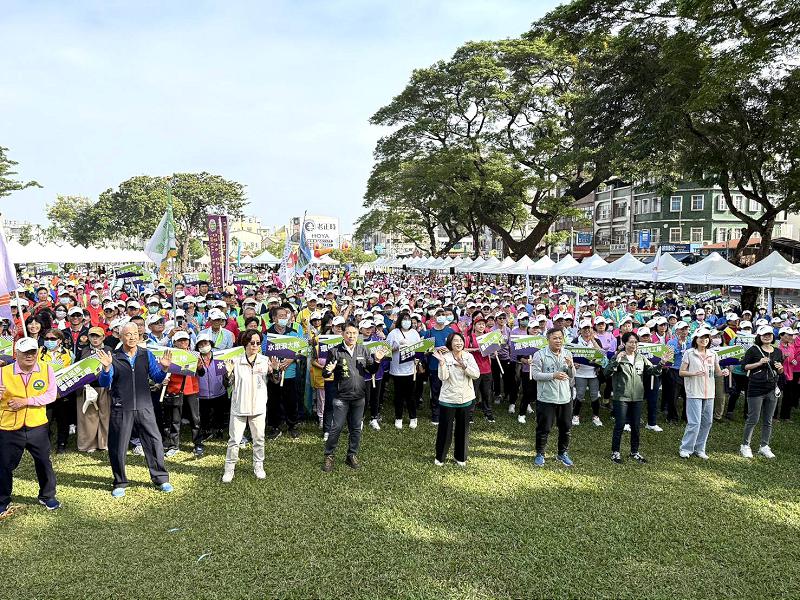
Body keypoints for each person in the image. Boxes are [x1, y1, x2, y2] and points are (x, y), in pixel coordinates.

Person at [96, 322, 175, 497]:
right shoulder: (113, 357)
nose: (132, 337)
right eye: (127, 334)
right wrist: (106, 368)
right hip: (121, 407)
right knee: (118, 445)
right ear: (121, 337)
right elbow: (104, 382)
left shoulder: (146, 354)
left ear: (139, 336)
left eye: (135, 334)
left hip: (144, 406)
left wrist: (164, 368)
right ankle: (120, 482)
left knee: (154, 442)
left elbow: (157, 377)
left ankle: (161, 478)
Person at [0, 337, 61, 516]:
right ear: (16, 353)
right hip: (9, 426)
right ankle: (2, 500)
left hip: (37, 425)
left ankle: (47, 496)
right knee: (4, 465)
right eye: (25, 352)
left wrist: (26, 401)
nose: (30, 355)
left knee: (44, 462)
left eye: (33, 352)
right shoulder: (3, 372)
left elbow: (51, 395)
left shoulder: (46, 369)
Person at [321, 324, 387, 472]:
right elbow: (325, 374)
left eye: (354, 333)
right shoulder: (335, 351)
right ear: (343, 334)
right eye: (348, 333)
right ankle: (329, 455)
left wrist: (377, 360)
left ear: (358, 335)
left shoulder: (363, 350)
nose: (351, 336)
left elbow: (371, 370)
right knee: (336, 427)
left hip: (359, 396)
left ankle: (351, 455)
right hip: (341, 397)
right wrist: (328, 370)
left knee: (356, 428)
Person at [221, 330, 279, 482]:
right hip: (239, 407)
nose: (255, 346)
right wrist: (228, 373)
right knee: (234, 441)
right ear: (245, 343)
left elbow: (275, 381)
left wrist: (275, 370)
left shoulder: (265, 360)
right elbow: (227, 384)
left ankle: (258, 466)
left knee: (259, 439)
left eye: (258, 343)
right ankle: (229, 469)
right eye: (252, 342)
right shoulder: (235, 361)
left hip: (258, 407)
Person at [604, 332, 661, 464]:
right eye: (630, 342)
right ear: (624, 343)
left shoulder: (641, 358)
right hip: (621, 397)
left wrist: (661, 363)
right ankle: (615, 452)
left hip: (637, 397)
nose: (633, 344)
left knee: (635, 426)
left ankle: (634, 452)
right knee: (620, 425)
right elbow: (607, 373)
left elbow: (652, 371)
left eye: (635, 342)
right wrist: (617, 360)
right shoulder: (618, 357)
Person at [679, 328, 728, 459]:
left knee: (707, 422)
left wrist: (723, 372)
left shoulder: (713, 354)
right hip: (694, 392)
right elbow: (681, 372)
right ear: (696, 339)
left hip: (709, 393)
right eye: (701, 337)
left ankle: (700, 448)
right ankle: (686, 448)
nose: (704, 340)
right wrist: (693, 373)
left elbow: (717, 372)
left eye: (706, 337)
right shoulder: (689, 353)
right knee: (694, 422)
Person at [530, 328, 576, 468]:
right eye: (555, 338)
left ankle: (562, 453)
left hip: (565, 397)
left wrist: (571, 366)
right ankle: (540, 454)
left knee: (566, 427)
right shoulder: (539, 355)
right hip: (546, 398)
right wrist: (553, 375)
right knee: (544, 428)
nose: (558, 341)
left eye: (560, 338)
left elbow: (572, 375)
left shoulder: (567, 353)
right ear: (548, 339)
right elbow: (536, 375)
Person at [433, 333, 479, 466]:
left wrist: (465, 366)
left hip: (466, 398)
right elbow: (443, 377)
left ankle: (460, 457)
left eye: (460, 340)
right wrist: (442, 363)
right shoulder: (445, 357)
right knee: (445, 429)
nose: (458, 343)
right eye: (455, 341)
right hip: (448, 398)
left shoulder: (468, 356)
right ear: (450, 343)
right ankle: (440, 457)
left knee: (463, 429)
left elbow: (476, 374)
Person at [740, 325, 783, 459]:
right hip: (756, 388)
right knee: (753, 418)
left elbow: (779, 371)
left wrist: (780, 368)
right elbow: (744, 367)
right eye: (764, 334)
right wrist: (759, 363)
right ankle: (745, 445)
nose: (767, 336)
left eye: (769, 334)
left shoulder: (778, 351)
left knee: (768, 420)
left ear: (773, 336)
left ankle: (764, 446)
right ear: (759, 336)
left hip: (772, 388)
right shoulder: (753, 350)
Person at [162, 331, 204, 457]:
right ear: (174, 342)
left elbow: (202, 373)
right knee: (174, 420)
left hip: (192, 390)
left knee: (195, 419)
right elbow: (163, 371)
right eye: (180, 340)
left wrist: (199, 367)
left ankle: (198, 444)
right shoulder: (169, 354)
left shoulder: (195, 354)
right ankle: (174, 445)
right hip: (174, 389)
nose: (183, 342)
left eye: (185, 340)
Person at [77, 327, 112, 453]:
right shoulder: (83, 350)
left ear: (103, 337)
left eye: (98, 336)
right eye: (92, 336)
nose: (95, 338)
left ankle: (104, 443)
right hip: (87, 387)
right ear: (89, 338)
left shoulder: (109, 350)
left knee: (105, 415)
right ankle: (88, 444)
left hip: (104, 387)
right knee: (88, 416)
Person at [39, 328, 73, 454]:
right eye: (47, 338)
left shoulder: (68, 354)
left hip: (62, 392)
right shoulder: (39, 352)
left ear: (60, 340)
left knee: (63, 420)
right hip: (44, 392)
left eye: (52, 339)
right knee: (45, 420)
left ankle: (61, 444)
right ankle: (45, 444)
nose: (49, 341)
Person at [386, 312, 420, 429]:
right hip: (397, 369)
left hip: (410, 369)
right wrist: (396, 347)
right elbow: (386, 350)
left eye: (408, 319)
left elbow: (419, 348)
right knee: (398, 395)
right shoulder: (393, 333)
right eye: (404, 319)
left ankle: (413, 417)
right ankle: (398, 418)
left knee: (411, 395)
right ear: (400, 321)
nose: (407, 321)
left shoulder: (414, 333)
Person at [571, 319, 603, 427]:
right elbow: (569, 356)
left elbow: (601, 355)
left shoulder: (596, 341)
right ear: (580, 330)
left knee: (594, 395)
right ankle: (575, 415)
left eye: (589, 328)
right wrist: (573, 363)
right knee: (580, 394)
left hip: (593, 373)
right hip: (580, 373)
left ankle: (596, 416)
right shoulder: (575, 341)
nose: (587, 330)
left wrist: (593, 341)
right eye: (584, 328)